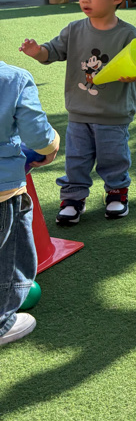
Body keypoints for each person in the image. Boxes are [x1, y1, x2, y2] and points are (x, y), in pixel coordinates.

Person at [19, 0, 136, 225]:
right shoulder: (74, 29)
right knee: (76, 159)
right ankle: (73, 199)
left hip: (113, 113)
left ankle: (117, 193)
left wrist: (134, 74)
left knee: (114, 158)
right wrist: (37, 51)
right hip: (79, 112)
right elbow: (52, 51)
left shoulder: (127, 34)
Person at [0, 61, 60, 345]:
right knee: (10, 255)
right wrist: (51, 146)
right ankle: (2, 323)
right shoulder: (13, 79)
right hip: (4, 190)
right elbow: (37, 134)